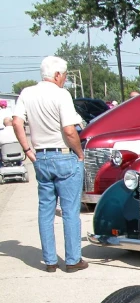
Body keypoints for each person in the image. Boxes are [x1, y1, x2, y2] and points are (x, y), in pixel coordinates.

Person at [12, 56, 88, 273]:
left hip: (41, 157)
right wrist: (79, 153)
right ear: (57, 75)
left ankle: (50, 260)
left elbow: (17, 121)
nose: (64, 79)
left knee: (45, 209)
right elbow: (69, 130)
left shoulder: (27, 93)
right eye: (64, 76)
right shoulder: (61, 94)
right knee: (70, 211)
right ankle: (73, 260)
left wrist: (27, 149)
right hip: (64, 155)